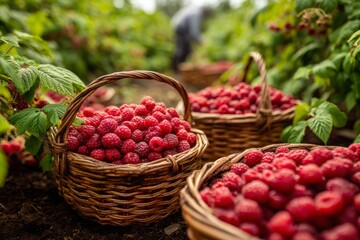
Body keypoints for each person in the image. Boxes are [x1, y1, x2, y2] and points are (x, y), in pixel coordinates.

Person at [171, 5, 211, 73]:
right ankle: (176, 70)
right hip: (180, 27)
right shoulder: (196, 13)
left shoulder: (195, 11)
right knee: (181, 50)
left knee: (185, 49)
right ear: (205, 11)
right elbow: (194, 31)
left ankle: (179, 70)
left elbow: (191, 32)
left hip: (180, 27)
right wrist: (201, 40)